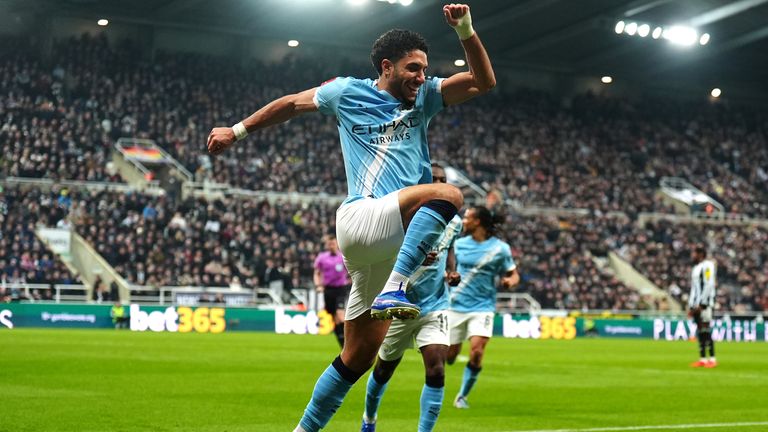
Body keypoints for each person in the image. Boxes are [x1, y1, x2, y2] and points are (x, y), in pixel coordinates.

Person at [208, 4, 495, 430]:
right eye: (413, 68)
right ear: (386, 66)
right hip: (362, 217)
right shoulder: (346, 92)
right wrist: (238, 130)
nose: (421, 76)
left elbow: (483, 82)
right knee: (448, 194)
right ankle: (396, 288)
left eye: (424, 69)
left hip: (381, 245)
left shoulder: (427, 98)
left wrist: (466, 30)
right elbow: (290, 103)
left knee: (358, 356)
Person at [360, 163, 462, 432]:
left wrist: (452, 270)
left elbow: (450, 248)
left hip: (435, 305)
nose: (440, 184)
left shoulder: (455, 221)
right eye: (435, 180)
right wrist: (413, 257)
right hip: (400, 306)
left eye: (444, 180)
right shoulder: (402, 216)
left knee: (437, 370)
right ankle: (369, 419)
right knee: (382, 372)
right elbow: (378, 255)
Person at [447, 205, 519, 409]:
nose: (464, 221)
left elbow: (512, 273)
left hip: (483, 307)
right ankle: (450, 356)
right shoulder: (458, 245)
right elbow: (446, 268)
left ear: (478, 222)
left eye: (467, 217)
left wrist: (510, 282)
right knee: (450, 355)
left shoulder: (500, 249)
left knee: (477, 351)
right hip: (455, 306)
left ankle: (462, 396)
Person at [314, 233, 351, 347]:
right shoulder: (322, 258)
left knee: (340, 315)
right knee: (334, 318)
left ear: (337, 244)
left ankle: (351, 338)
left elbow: (352, 271)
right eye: (329, 244)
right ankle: (343, 344)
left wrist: (351, 281)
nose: (331, 246)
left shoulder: (343, 257)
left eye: (333, 244)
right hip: (328, 290)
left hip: (340, 289)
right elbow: (317, 272)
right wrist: (318, 285)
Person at [688, 245, 717, 368]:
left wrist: (703, 303)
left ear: (700, 254)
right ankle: (703, 359)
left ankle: (712, 359)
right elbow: (694, 289)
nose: (692, 256)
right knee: (700, 330)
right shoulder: (696, 268)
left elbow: (709, 284)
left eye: (694, 253)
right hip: (696, 304)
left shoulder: (707, 266)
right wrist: (691, 305)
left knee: (705, 329)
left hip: (705, 304)